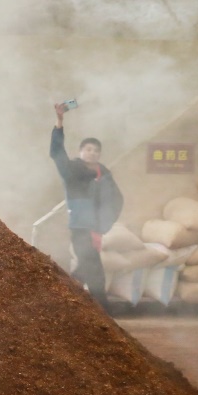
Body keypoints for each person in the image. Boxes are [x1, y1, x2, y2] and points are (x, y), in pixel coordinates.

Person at [51, 103, 123, 306]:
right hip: (80, 227)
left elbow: (115, 199)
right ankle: (105, 315)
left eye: (96, 151)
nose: (92, 153)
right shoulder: (72, 170)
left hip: (96, 228)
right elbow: (57, 152)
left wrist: (103, 223)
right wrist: (60, 122)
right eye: (88, 149)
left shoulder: (104, 174)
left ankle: (58, 302)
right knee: (95, 272)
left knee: (83, 270)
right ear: (81, 151)